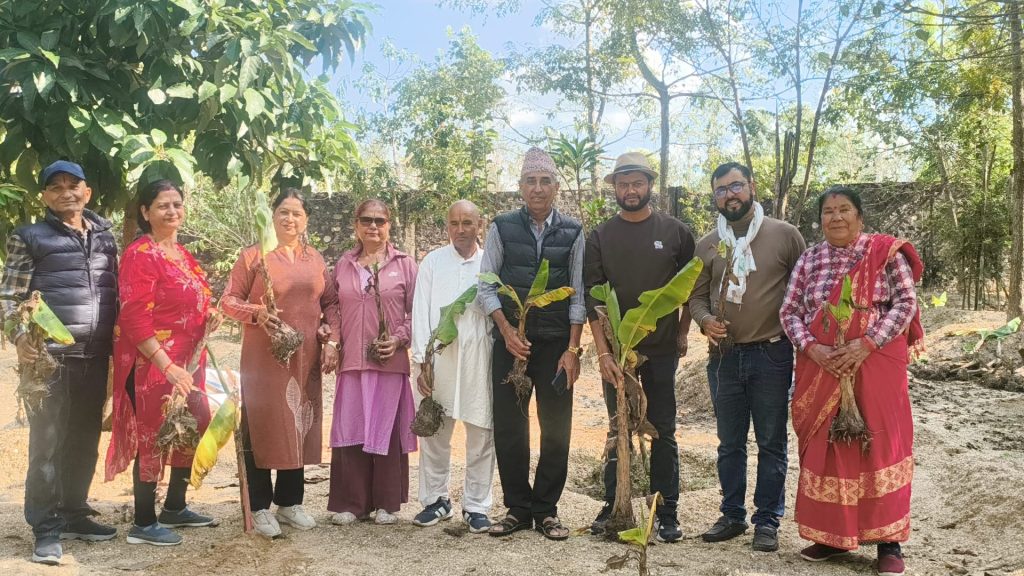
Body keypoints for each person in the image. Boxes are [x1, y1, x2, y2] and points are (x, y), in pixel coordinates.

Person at [780, 187, 922, 576]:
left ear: (860, 217)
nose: (836, 217)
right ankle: (831, 537)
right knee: (829, 447)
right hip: (821, 367)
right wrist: (813, 348)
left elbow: (906, 304)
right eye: (828, 211)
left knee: (878, 445)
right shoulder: (809, 259)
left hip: (875, 363)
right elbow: (789, 311)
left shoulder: (884, 253)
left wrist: (867, 343)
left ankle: (888, 542)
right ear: (820, 219)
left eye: (845, 210)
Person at [0, 161, 118, 564]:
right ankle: (46, 528)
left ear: (87, 192)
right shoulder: (29, 237)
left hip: (96, 354)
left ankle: (74, 512)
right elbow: (10, 298)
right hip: (49, 359)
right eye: (56, 187)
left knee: (85, 438)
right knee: (47, 444)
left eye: (74, 185)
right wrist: (18, 337)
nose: (66, 192)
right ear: (45, 197)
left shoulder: (105, 237)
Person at [689, 162, 806, 552]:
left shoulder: (784, 236)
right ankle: (732, 514)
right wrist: (706, 321)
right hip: (723, 357)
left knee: (772, 440)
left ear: (751, 187)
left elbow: (804, 291)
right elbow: (696, 296)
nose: (730, 195)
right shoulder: (707, 244)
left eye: (735, 186)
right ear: (715, 197)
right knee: (729, 442)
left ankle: (768, 520)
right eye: (721, 190)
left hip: (772, 354)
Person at [584, 152, 696, 542]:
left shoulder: (677, 231)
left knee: (662, 428)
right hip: (617, 353)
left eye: (637, 183)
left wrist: (683, 330)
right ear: (614, 188)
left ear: (650, 185)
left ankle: (666, 511)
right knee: (618, 426)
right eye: (622, 184)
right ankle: (615, 503)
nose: (630, 190)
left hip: (661, 351)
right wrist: (602, 354)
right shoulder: (600, 236)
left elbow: (690, 286)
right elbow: (593, 300)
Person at [219, 188, 341, 538]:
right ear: (272, 216)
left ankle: (290, 502)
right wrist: (257, 312)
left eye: (297, 213)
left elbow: (331, 302)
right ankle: (258, 506)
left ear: (306, 220)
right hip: (264, 359)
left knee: (297, 421)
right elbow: (227, 301)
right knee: (262, 424)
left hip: (305, 357)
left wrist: (331, 336)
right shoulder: (253, 255)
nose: (290, 219)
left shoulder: (314, 259)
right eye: (283, 212)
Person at [478, 147, 584, 541]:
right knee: (510, 429)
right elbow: (486, 285)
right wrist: (506, 331)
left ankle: (547, 510)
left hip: (556, 345)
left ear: (556, 186)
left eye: (545, 181)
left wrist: (572, 351)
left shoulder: (572, 231)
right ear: (520, 187)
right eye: (530, 181)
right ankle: (518, 509)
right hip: (510, 345)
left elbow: (578, 294)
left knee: (556, 429)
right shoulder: (502, 227)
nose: (538, 189)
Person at [105, 179, 219, 546]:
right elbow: (135, 318)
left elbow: (192, 301)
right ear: (145, 212)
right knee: (154, 433)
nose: (172, 211)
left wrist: (210, 314)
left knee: (193, 420)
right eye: (162, 205)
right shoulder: (141, 254)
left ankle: (175, 506)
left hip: (189, 361)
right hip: (151, 364)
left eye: (177, 204)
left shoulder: (181, 253)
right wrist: (166, 364)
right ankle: (143, 521)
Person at [328, 199, 417, 526]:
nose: (373, 226)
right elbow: (332, 308)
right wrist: (333, 340)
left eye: (380, 220)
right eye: (366, 220)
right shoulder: (344, 264)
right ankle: (352, 503)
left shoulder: (404, 265)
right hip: (352, 361)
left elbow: (416, 312)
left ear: (389, 225)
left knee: (385, 428)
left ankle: (386, 503)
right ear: (355, 224)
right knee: (351, 427)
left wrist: (398, 338)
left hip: (389, 361)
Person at [410, 200, 495, 534]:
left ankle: (476, 505)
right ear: (447, 226)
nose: (461, 230)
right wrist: (421, 361)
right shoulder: (432, 262)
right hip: (439, 360)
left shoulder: (490, 262)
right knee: (435, 433)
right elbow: (421, 312)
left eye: (467, 223)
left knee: (480, 434)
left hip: (480, 361)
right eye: (454, 223)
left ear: (480, 225)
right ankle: (436, 501)